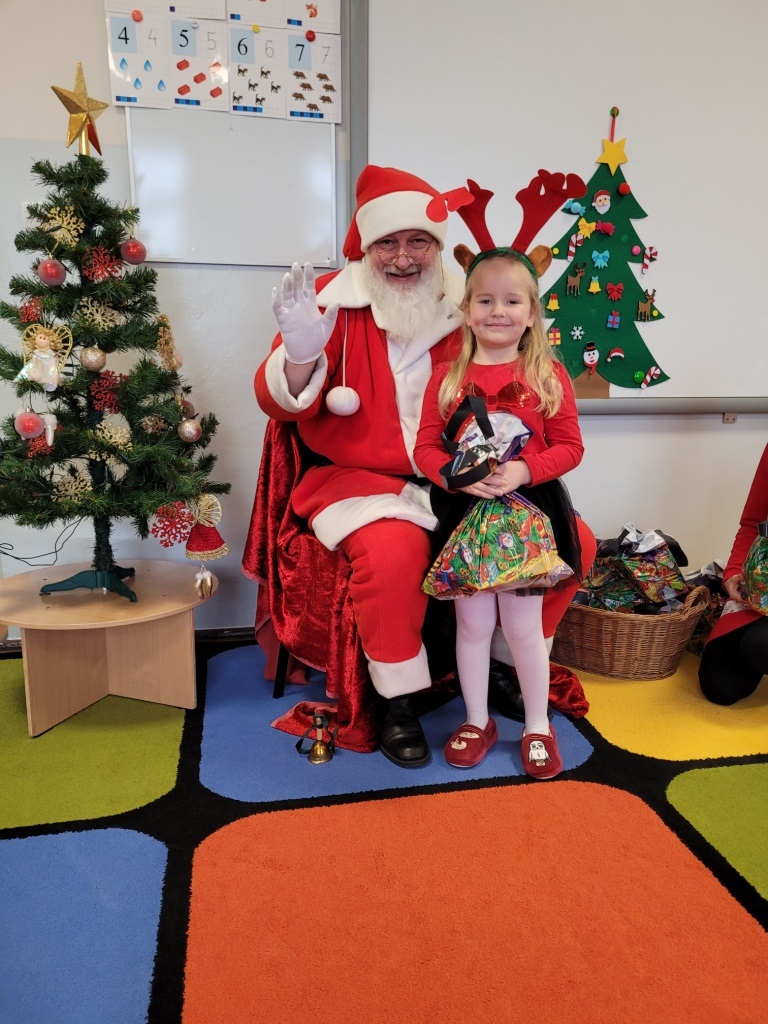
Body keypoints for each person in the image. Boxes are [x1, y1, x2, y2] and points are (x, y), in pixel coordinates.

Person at [247, 164, 594, 768]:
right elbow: (279, 403)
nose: (404, 258)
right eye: (388, 242)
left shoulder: (470, 304)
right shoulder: (332, 305)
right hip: (360, 480)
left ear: (437, 247)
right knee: (394, 554)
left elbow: (539, 411)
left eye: (419, 242)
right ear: (366, 245)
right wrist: (300, 355)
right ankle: (398, 700)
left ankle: (504, 663)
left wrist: (510, 472)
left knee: (575, 543)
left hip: (461, 484)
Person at [413, 248, 585, 779]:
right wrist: (456, 475)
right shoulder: (446, 376)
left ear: (532, 314)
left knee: (522, 628)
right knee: (472, 626)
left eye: (512, 301)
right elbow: (424, 449)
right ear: (466, 311)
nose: (498, 312)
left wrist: (524, 470)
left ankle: (537, 725)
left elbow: (571, 447)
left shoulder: (548, 373)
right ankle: (476, 719)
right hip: (466, 516)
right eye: (485, 301)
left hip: (529, 516)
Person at [699, 443, 768, 705]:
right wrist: (734, 572)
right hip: (763, 589)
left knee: (761, 647)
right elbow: (753, 522)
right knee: (720, 686)